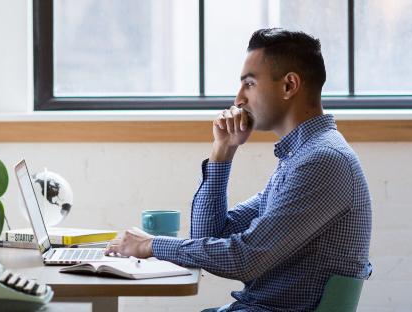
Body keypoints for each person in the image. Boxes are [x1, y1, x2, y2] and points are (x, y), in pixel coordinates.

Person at [107, 28, 372, 312]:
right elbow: (208, 237)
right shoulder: (299, 158)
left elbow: (245, 259)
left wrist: (151, 245)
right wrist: (223, 151)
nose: (238, 100)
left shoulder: (322, 161)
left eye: (249, 84)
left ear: (289, 85)